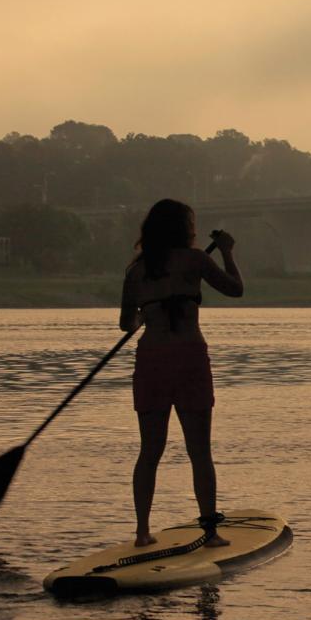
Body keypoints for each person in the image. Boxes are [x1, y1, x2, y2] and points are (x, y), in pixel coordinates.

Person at [119, 199, 243, 548]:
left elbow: (125, 323)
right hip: (188, 357)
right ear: (184, 229)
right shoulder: (196, 259)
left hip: (151, 359)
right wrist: (228, 253)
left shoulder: (136, 270)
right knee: (199, 450)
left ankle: (142, 532)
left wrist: (146, 314)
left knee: (150, 450)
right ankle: (209, 531)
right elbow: (235, 288)